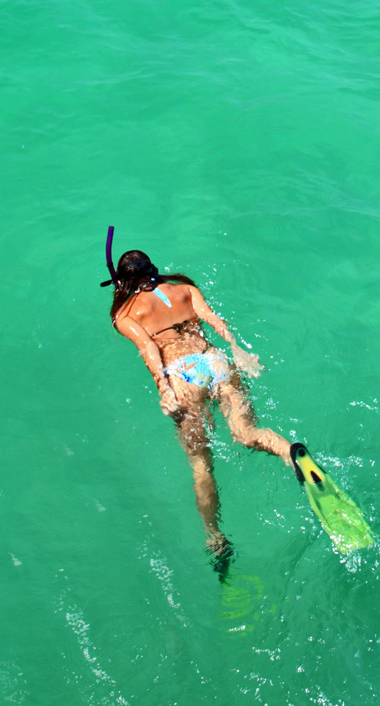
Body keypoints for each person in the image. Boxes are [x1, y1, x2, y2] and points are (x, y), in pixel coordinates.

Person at [105, 245, 293, 572]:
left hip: (182, 375)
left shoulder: (125, 315)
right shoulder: (185, 289)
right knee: (247, 433)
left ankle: (215, 537)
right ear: (153, 269)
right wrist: (238, 351)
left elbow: (149, 348)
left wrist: (164, 389)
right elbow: (213, 321)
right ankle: (292, 454)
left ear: (122, 282)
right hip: (214, 361)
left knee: (201, 465)